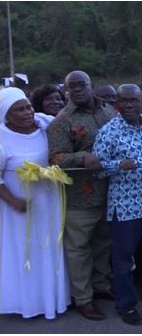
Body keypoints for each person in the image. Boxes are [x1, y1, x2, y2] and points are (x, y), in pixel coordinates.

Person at [92, 84, 142, 326]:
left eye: (134, 100)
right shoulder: (109, 131)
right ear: (117, 104)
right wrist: (117, 165)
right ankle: (125, 305)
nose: (130, 105)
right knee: (123, 259)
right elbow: (96, 170)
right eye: (125, 101)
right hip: (126, 207)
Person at [47, 70, 116, 321]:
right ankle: (83, 299)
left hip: (110, 191)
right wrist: (81, 158)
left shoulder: (107, 111)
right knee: (79, 249)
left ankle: (101, 285)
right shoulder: (61, 121)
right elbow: (55, 157)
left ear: (91, 86)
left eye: (81, 85)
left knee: (103, 243)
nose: (76, 90)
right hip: (80, 196)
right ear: (66, 90)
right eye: (71, 87)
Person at [0, 87, 70, 320]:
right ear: (6, 115)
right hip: (18, 208)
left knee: (50, 248)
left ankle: (53, 299)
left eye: (28, 106)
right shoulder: (1, 137)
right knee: (23, 251)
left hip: (49, 203)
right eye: (18, 110)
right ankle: (26, 303)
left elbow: (66, 123)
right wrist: (13, 201)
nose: (27, 112)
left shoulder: (44, 123)